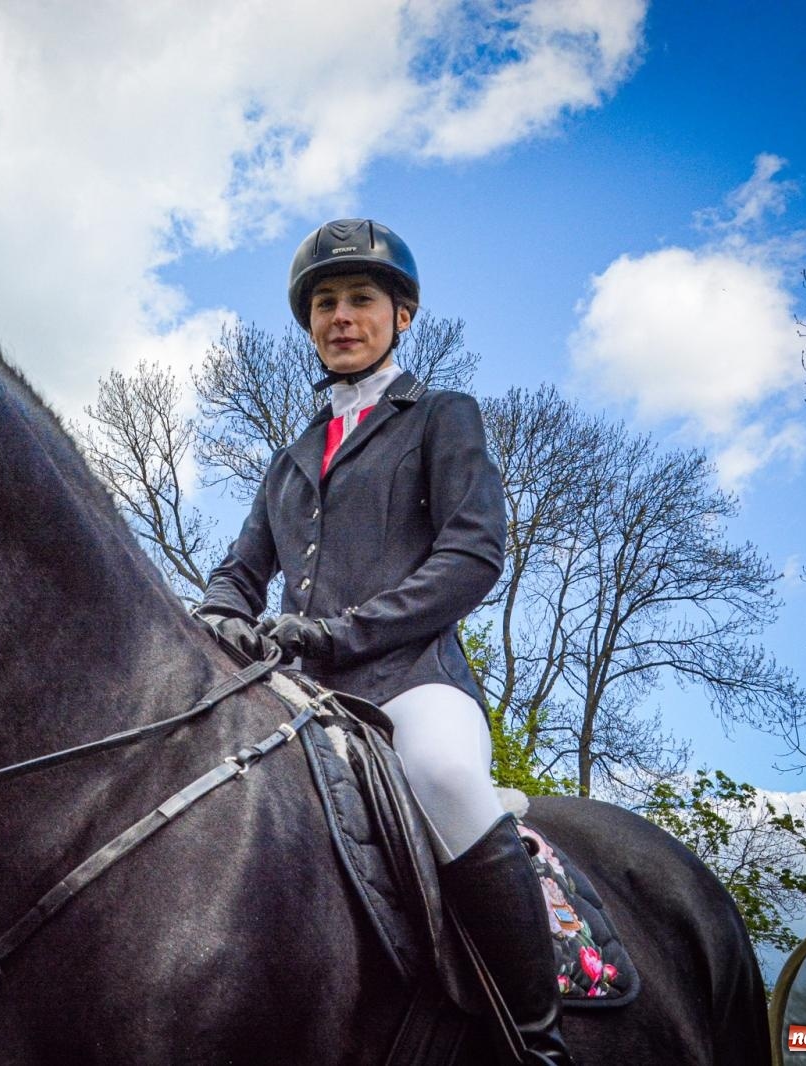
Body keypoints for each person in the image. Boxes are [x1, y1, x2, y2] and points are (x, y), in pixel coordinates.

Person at [197, 218, 571, 1065]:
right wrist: (219, 613)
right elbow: (239, 567)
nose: (341, 316)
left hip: (411, 682)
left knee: (442, 774)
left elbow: (472, 556)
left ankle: (537, 1042)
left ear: (402, 316)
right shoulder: (290, 458)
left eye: (362, 299)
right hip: (301, 698)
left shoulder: (441, 416)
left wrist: (337, 634)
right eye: (325, 303)